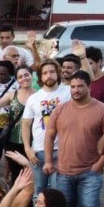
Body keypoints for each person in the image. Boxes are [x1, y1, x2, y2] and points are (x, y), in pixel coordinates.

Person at [44, 70, 104, 207]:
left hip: (90, 172)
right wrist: (49, 161)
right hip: (63, 171)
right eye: (73, 86)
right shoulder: (61, 109)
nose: (75, 90)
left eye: (80, 86)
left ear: (89, 87)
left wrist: (100, 164)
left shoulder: (103, 111)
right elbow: (49, 136)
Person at [21, 60, 71, 193]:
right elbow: (25, 124)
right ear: (40, 77)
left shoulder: (68, 92)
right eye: (45, 73)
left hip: (62, 151)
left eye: (52, 72)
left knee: (57, 192)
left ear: (58, 73)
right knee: (38, 191)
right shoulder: (34, 98)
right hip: (38, 152)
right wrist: (27, 148)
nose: (49, 75)